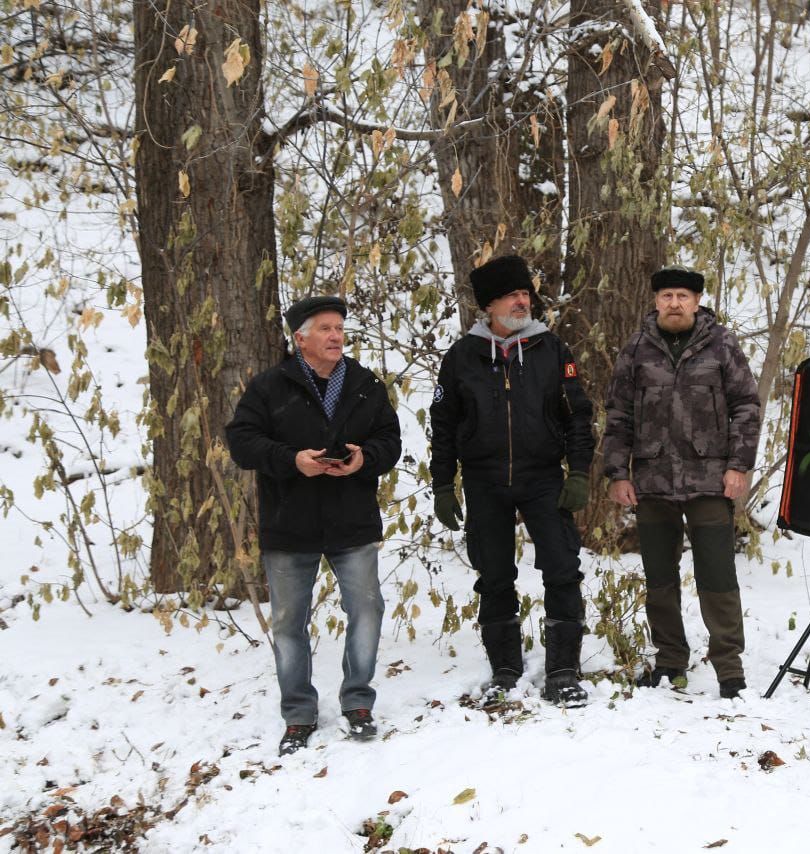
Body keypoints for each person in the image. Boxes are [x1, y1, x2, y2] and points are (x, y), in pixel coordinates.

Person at [226, 296, 402, 756]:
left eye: (339, 328)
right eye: (325, 328)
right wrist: (292, 461)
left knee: (367, 609)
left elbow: (390, 440)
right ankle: (299, 714)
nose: (336, 336)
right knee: (288, 623)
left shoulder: (365, 384)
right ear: (300, 338)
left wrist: (365, 459)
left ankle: (358, 702)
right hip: (290, 524)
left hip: (352, 521)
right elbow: (241, 442)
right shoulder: (269, 387)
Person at [429, 255, 594, 706]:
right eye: (511, 295)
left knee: (562, 567)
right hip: (484, 480)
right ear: (489, 305)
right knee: (494, 573)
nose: (522, 301)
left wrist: (579, 471)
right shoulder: (462, 357)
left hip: (543, 477)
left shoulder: (551, 349)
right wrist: (443, 484)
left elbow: (578, 415)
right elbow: (443, 425)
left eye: (525, 294)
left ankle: (563, 671)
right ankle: (505, 670)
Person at [602, 267, 761, 699]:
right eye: (667, 296)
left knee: (717, 575)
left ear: (697, 301)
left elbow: (746, 406)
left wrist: (738, 465)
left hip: (709, 480)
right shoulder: (637, 348)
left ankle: (729, 668)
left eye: (683, 296)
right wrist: (618, 472)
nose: (675, 303)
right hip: (652, 481)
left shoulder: (722, 344)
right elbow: (618, 414)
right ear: (656, 301)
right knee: (659, 578)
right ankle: (670, 662)